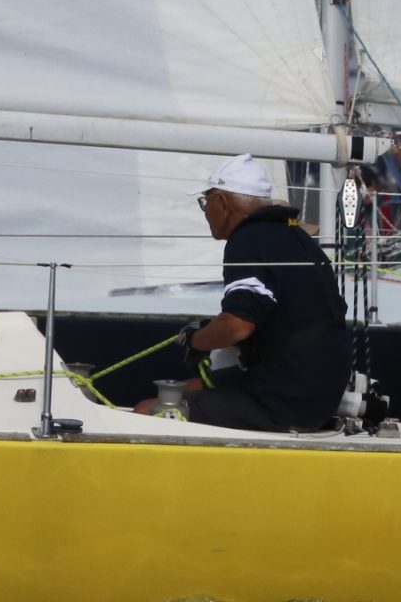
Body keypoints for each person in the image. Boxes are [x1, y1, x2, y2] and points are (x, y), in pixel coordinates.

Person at [135, 154, 351, 432]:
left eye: (206, 202)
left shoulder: (247, 239)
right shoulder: (296, 237)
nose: (205, 212)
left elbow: (238, 325)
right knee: (191, 387)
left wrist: (195, 341)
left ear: (223, 203)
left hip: (283, 401)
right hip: (315, 394)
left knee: (148, 410)